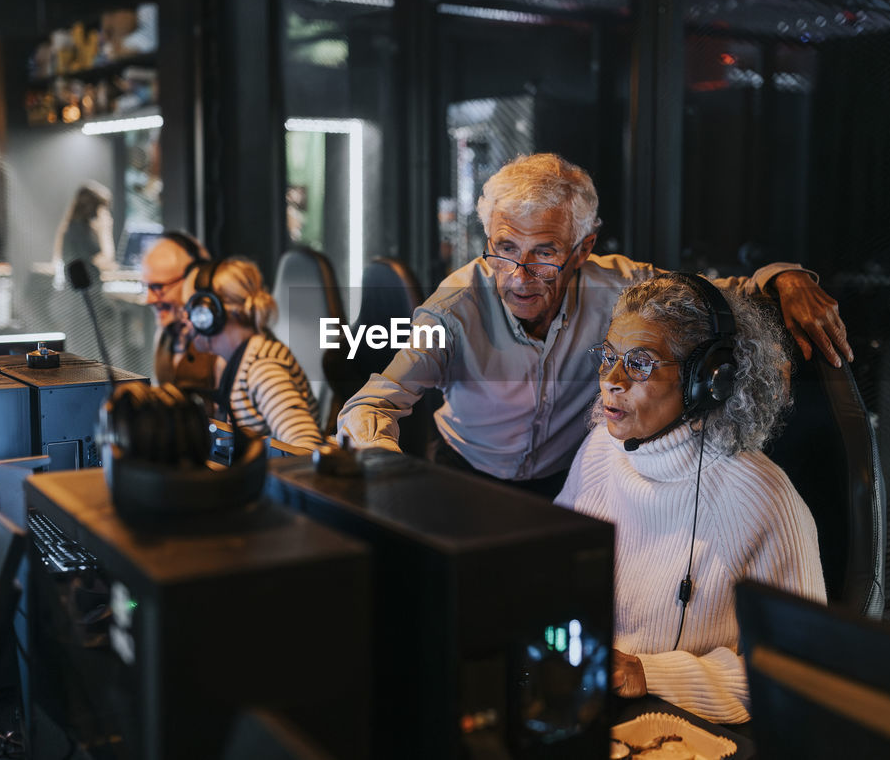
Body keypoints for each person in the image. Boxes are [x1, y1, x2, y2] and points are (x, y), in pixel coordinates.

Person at [336, 152, 852, 497]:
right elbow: (371, 402)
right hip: (467, 476)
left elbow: (725, 291)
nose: (518, 277)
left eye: (544, 253)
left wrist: (785, 277)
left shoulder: (622, 287)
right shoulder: (451, 308)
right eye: (505, 249)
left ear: (583, 248)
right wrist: (387, 466)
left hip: (575, 480)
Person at [555, 273, 825, 723]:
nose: (612, 381)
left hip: (683, 725)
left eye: (639, 363)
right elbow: (546, 570)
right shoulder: (602, 448)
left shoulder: (764, 499)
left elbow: (802, 677)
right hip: (590, 698)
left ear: (707, 380)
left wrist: (652, 673)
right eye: (608, 357)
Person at [181, 256, 323, 450]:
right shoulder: (234, 361)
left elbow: (305, 449)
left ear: (211, 313)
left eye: (191, 310)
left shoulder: (263, 369)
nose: (185, 320)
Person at [140, 231, 219, 399]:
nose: (149, 299)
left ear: (195, 279)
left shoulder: (221, 343)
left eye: (158, 287)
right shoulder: (164, 335)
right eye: (146, 287)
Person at [52, 180, 116, 283]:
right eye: (103, 209)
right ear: (94, 210)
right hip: (87, 293)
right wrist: (105, 230)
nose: (107, 214)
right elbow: (106, 260)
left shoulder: (72, 228)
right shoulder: (79, 232)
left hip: (80, 292)